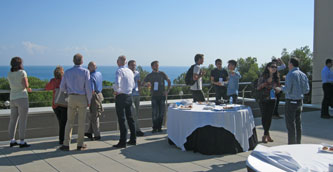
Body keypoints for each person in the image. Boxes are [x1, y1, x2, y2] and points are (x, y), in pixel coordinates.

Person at [59, 53, 92, 151]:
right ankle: (80, 144)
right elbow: (88, 88)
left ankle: (66, 144)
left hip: (71, 97)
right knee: (81, 123)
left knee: (69, 122)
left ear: (73, 61)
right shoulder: (85, 72)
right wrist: (89, 100)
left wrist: (68, 91)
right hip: (82, 98)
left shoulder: (67, 72)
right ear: (82, 61)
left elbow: (62, 87)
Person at [282, 57, 310, 144]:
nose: (287, 65)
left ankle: (291, 144)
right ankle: (298, 143)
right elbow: (307, 90)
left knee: (290, 125)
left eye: (288, 63)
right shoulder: (303, 75)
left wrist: (280, 88)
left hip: (291, 101)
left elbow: (288, 89)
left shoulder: (290, 75)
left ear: (291, 64)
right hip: (300, 102)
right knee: (298, 124)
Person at [7, 57, 32, 148]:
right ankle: (22, 141)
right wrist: (28, 87)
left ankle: (12, 140)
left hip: (12, 98)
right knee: (22, 120)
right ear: (20, 64)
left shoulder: (9, 74)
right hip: (22, 98)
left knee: (13, 119)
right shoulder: (22, 72)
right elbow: (25, 85)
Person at [113, 55, 136, 148]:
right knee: (130, 118)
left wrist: (116, 91)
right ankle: (133, 139)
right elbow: (133, 85)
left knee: (122, 119)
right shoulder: (130, 71)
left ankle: (122, 141)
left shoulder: (119, 71)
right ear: (125, 62)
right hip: (129, 96)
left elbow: (117, 83)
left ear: (118, 62)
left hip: (121, 96)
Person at [143, 61, 171, 133]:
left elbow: (169, 81)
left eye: (158, 65)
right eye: (155, 65)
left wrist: (167, 91)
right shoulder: (149, 75)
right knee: (155, 113)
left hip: (162, 96)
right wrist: (147, 85)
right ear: (152, 66)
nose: (157, 66)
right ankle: (155, 128)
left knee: (161, 113)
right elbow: (143, 84)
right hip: (154, 96)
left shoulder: (162, 73)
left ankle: (159, 127)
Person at [257, 62, 281, 143]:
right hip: (263, 99)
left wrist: (278, 89)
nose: (274, 68)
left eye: (275, 67)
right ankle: (266, 134)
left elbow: (279, 86)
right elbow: (258, 87)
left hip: (272, 98)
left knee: (269, 117)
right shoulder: (263, 76)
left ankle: (266, 134)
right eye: (272, 67)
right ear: (268, 67)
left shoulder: (276, 77)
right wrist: (267, 82)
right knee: (264, 117)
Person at [45, 66, 67, 145]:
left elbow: (47, 88)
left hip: (55, 105)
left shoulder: (53, 81)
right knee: (64, 123)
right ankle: (63, 139)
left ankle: (62, 139)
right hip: (64, 104)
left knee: (60, 122)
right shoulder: (64, 81)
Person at [85, 62, 104, 140]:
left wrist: (88, 100)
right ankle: (89, 132)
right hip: (100, 95)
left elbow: (91, 90)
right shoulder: (99, 74)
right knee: (94, 114)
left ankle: (97, 134)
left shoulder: (91, 77)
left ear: (90, 67)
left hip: (94, 96)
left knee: (94, 116)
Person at [128, 60, 144, 136]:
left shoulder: (137, 73)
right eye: (132, 65)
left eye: (134, 65)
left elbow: (138, 82)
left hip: (137, 94)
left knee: (136, 113)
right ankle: (136, 130)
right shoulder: (127, 73)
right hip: (130, 94)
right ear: (128, 66)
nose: (133, 66)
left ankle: (134, 129)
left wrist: (140, 90)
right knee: (133, 112)